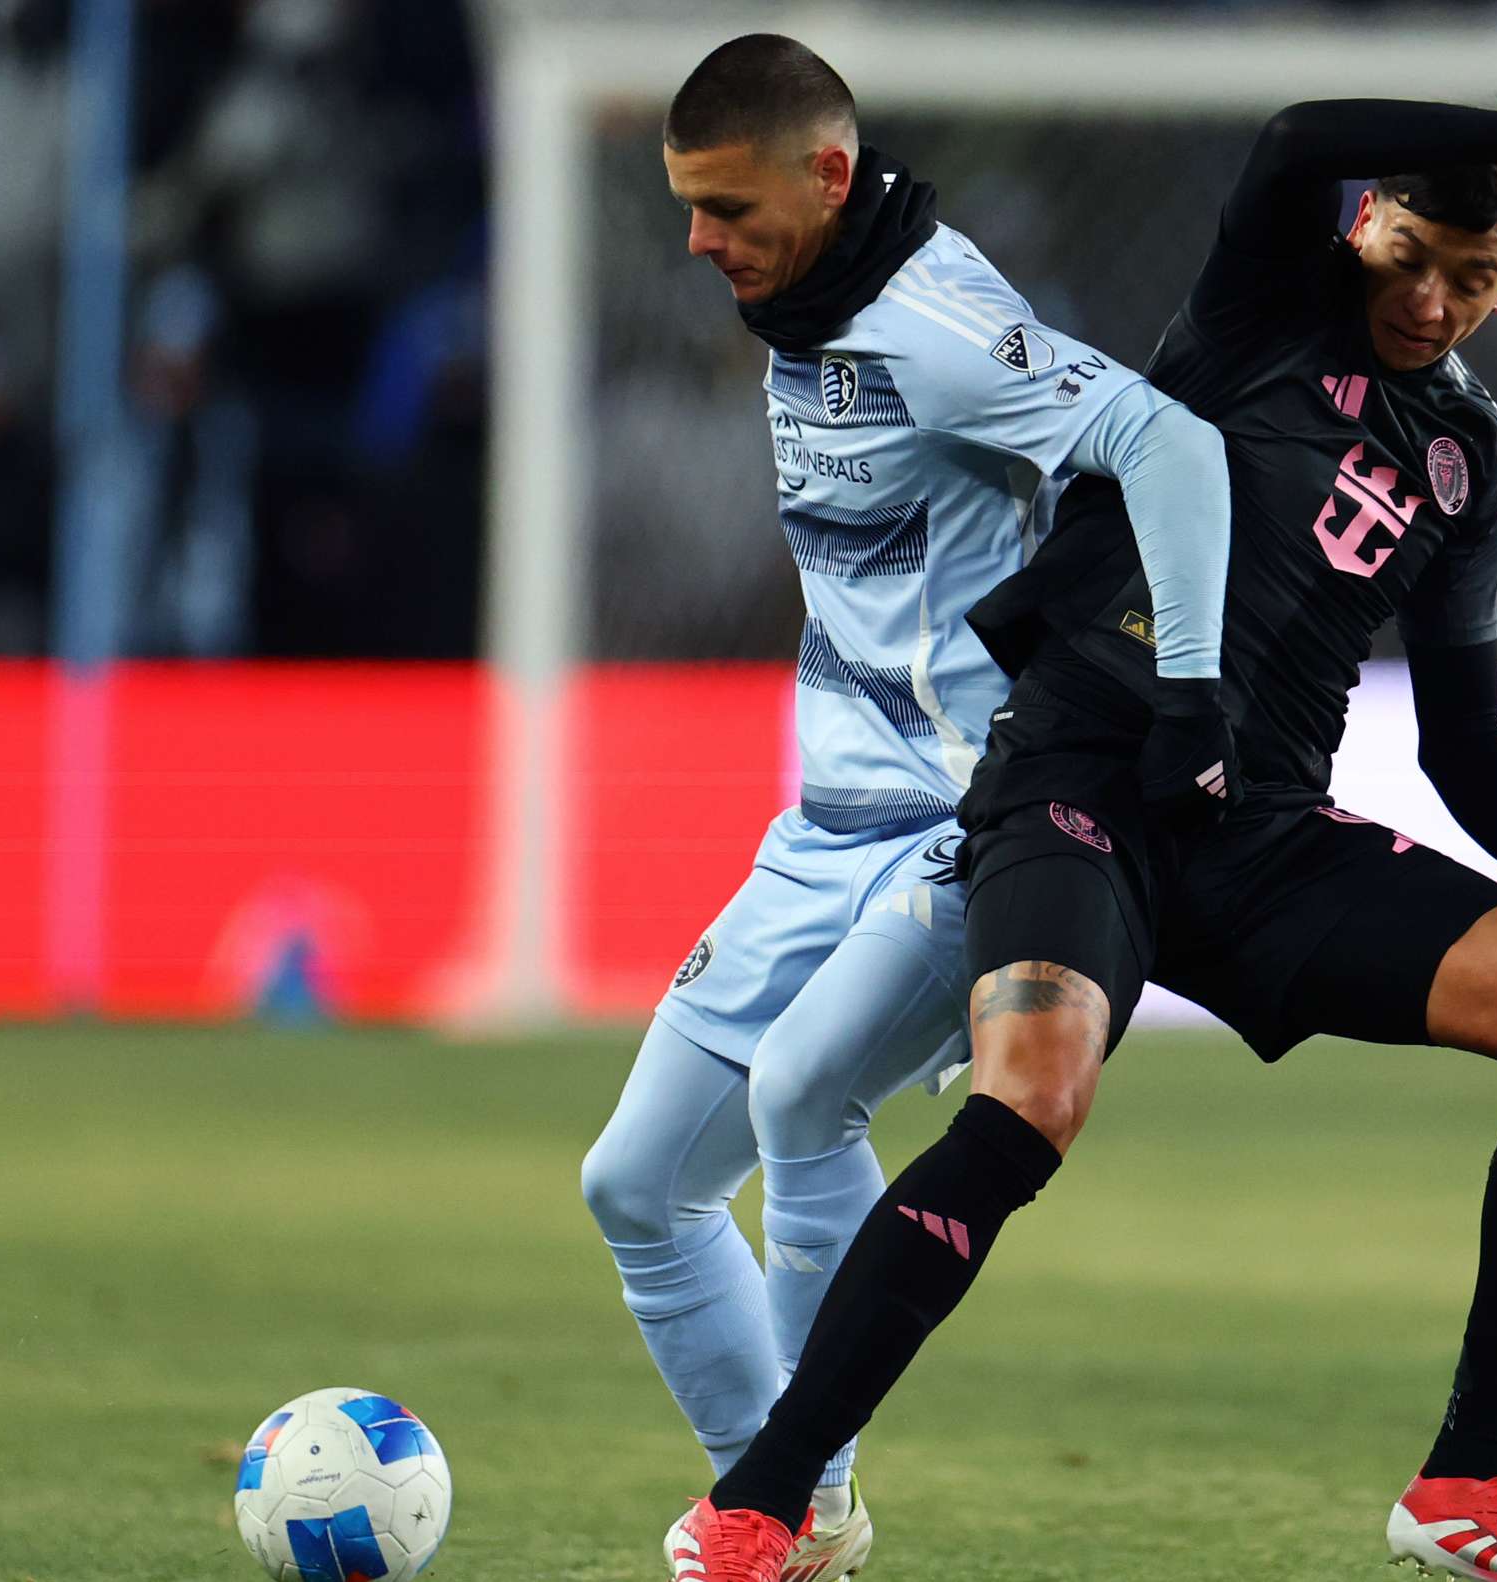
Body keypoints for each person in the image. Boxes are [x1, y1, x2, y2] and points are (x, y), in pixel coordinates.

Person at [678, 100, 1497, 1582]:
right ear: (1368, 224)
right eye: (1413, 255)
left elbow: (1462, 747)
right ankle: (758, 1505)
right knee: (1031, 1096)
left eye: (1473, 280)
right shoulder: (1271, 301)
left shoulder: (1469, 455)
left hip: (1263, 836)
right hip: (1084, 773)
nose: (1429, 302)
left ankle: (1471, 1481)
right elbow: (1300, 133)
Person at [577, 34, 1234, 1582]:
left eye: (726, 208)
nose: (697, 241)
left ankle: (782, 1509)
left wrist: (1190, 692)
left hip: (974, 812)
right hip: (821, 824)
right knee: (635, 1184)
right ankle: (792, 1509)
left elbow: (1169, 443)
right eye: (685, 207)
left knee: (807, 1091)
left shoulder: (933, 321)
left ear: (824, 174)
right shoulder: (800, 298)